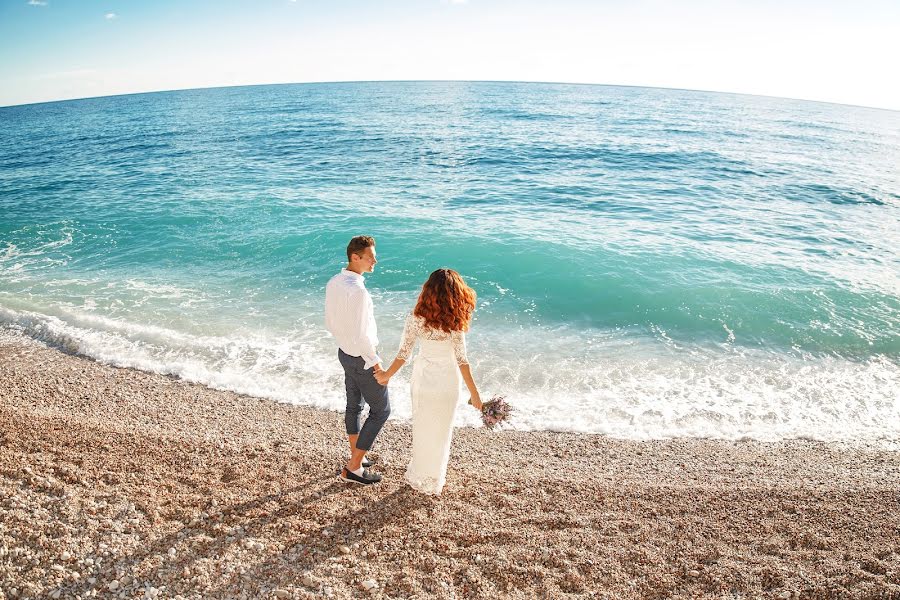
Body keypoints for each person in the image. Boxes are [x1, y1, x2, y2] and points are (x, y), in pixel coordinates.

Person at [375, 268, 483, 495]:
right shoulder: (455, 322)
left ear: (427, 291)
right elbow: (463, 361)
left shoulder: (415, 319)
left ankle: (421, 473)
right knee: (442, 431)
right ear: (457, 294)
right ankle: (435, 478)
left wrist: (386, 375)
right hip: (448, 382)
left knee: (423, 428)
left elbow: (403, 354)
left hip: (424, 380)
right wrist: (475, 395)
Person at [325, 235, 389, 485]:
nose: (375, 260)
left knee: (354, 407)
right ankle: (354, 468)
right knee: (382, 411)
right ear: (356, 257)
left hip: (344, 353)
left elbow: (330, 322)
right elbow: (363, 335)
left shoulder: (334, 282)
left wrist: (346, 341)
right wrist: (376, 364)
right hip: (362, 359)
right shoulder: (359, 292)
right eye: (371, 255)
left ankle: (357, 457)